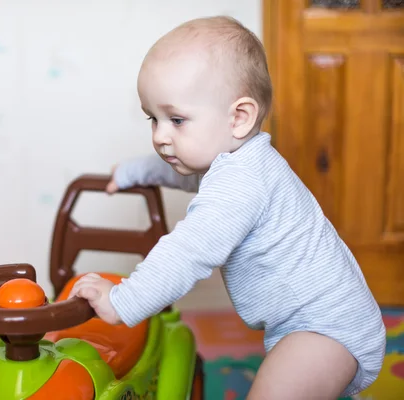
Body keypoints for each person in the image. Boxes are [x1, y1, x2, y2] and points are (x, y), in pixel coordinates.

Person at [69, 16, 385, 399]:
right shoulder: (240, 161)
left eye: (177, 119)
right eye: (154, 119)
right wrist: (135, 172)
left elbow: (189, 249)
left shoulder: (243, 182)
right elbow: (184, 172)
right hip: (312, 324)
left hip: (326, 329)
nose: (160, 136)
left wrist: (123, 301)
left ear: (239, 118)